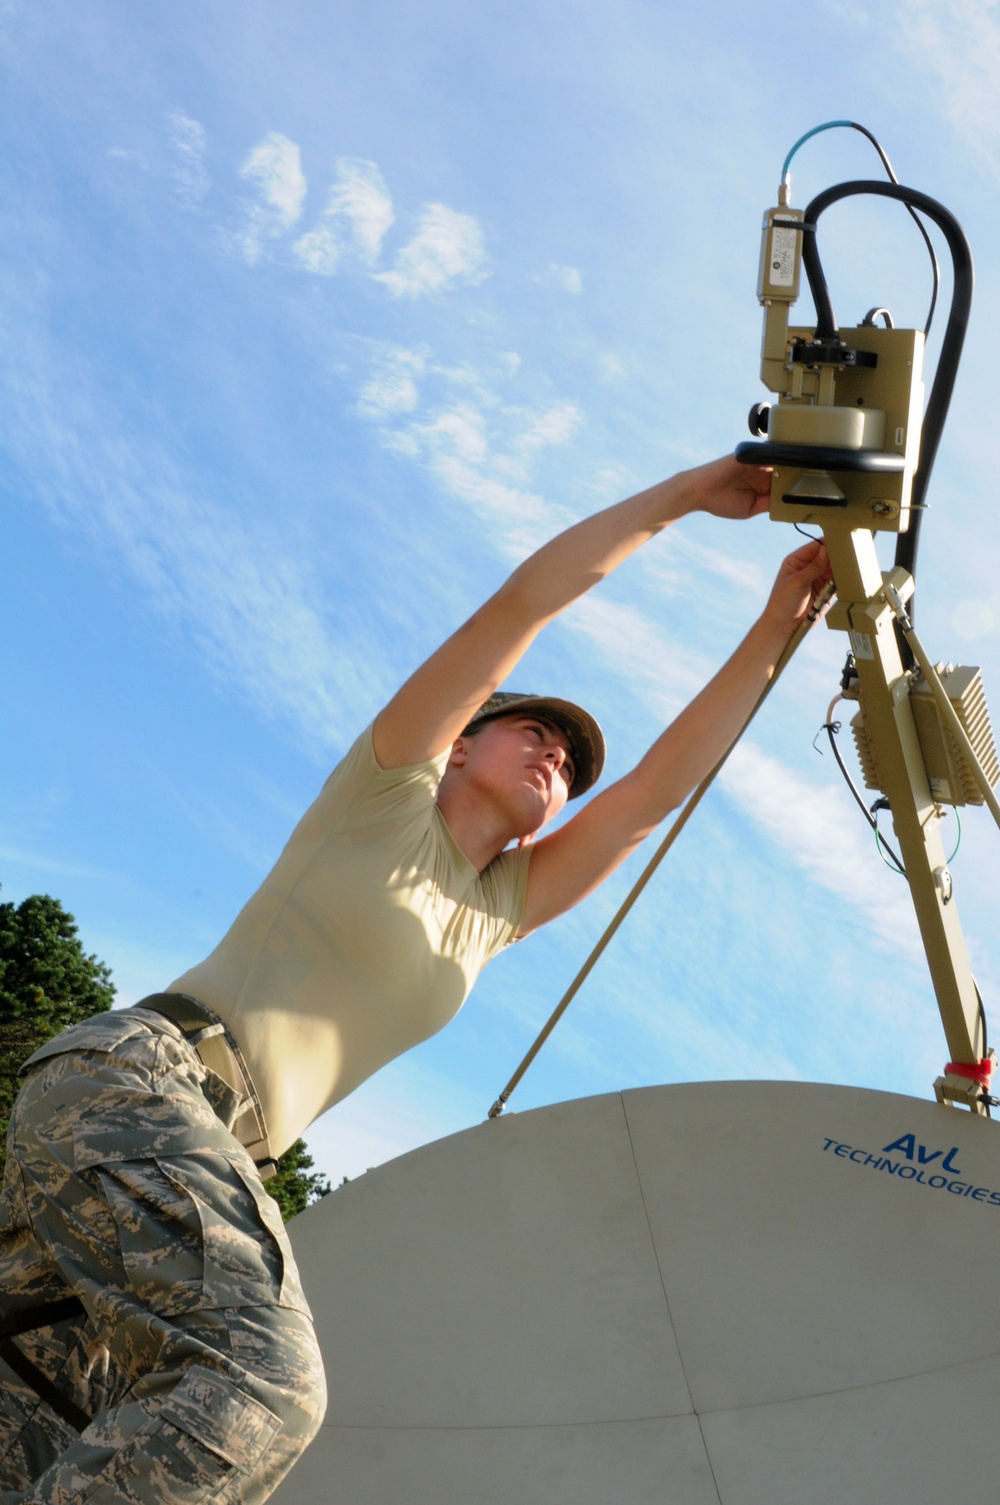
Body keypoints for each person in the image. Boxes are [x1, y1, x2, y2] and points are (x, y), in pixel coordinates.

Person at [0, 454, 832, 1504]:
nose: (557, 760)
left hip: (205, 1156)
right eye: (533, 731)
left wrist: (778, 625)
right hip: (142, 1085)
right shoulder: (387, 791)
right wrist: (682, 497)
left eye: (571, 764)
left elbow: (656, 789)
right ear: (459, 745)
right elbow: (523, 602)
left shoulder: (493, 914)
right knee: (261, 1385)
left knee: (48, 1429)